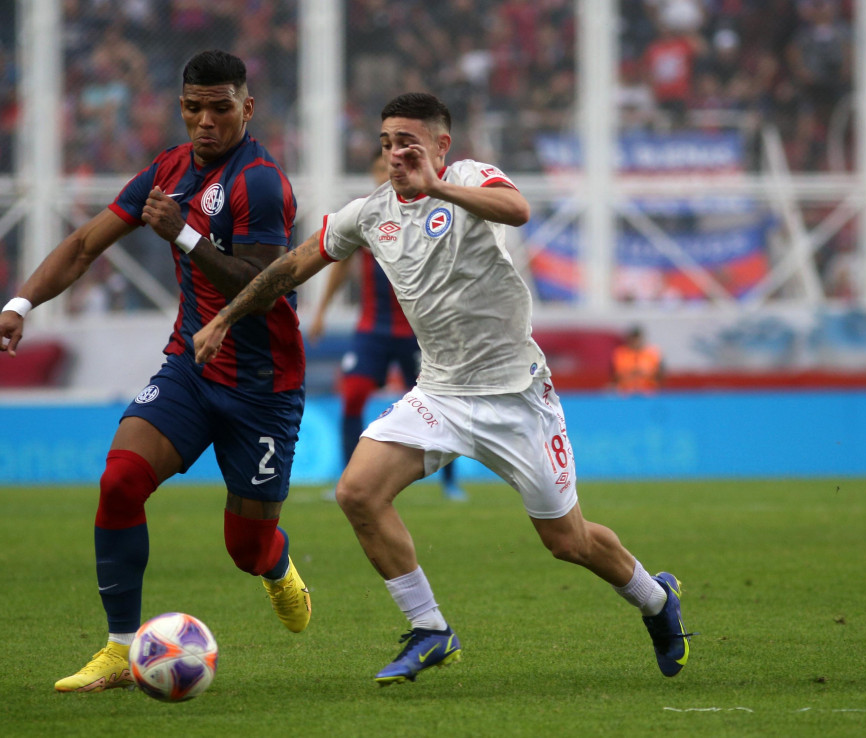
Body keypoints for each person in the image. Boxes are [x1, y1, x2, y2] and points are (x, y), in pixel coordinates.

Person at [194, 92, 691, 685]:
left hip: (517, 397)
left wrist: (439, 187)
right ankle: (430, 629)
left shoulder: (468, 180)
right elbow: (288, 268)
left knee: (568, 540)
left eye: (409, 142)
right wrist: (224, 318)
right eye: (386, 143)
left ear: (440, 145)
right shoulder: (367, 214)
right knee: (357, 493)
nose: (396, 153)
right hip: (441, 395)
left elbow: (517, 209)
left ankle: (657, 601)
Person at [0, 50, 311, 693]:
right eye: (193, 108)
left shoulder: (260, 182)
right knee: (121, 480)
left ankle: (277, 565)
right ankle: (119, 649)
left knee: (245, 547)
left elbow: (265, 289)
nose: (205, 121)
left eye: (220, 107)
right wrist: (18, 309)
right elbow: (84, 245)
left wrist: (184, 236)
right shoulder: (169, 171)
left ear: (247, 107)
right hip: (189, 368)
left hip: (264, 390)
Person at [307, 148, 465, 501]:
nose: (385, 174)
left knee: (441, 404)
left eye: (389, 168)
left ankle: (450, 483)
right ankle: (347, 480)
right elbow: (341, 265)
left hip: (417, 334)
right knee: (353, 397)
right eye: (379, 168)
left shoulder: (423, 213)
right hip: (372, 331)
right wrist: (320, 312)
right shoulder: (366, 215)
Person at [611, 326, 664, 395]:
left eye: (637, 339)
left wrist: (646, 373)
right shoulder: (620, 354)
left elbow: (661, 376)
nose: (635, 342)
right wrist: (630, 373)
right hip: (625, 392)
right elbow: (613, 376)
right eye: (633, 339)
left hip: (649, 392)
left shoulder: (652, 354)